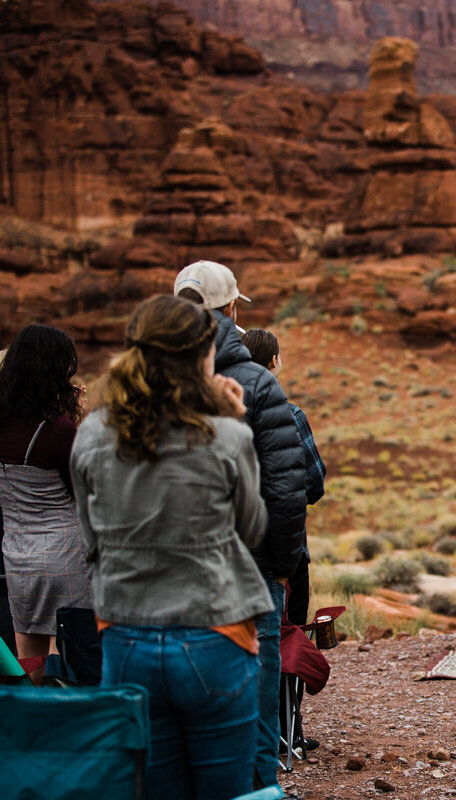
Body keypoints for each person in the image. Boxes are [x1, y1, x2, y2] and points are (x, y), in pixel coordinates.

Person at [70, 295, 274, 798]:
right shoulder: (227, 434)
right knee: (226, 789)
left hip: (126, 636)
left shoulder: (92, 433)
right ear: (200, 356)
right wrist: (230, 414)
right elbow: (252, 529)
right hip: (214, 631)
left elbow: (90, 535)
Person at [175, 260, 306, 790]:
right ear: (232, 310)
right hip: (248, 571)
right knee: (253, 695)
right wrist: (281, 565)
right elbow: (285, 488)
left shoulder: (150, 386)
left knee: (187, 702)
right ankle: (256, 787)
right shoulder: (256, 383)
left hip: (169, 572)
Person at [0, 325, 91, 670]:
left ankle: (28, 718)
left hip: (17, 555)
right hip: (65, 558)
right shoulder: (57, 430)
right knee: (64, 651)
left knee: (27, 654)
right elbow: (83, 491)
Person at [242, 328, 327, 628]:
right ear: (274, 361)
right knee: (288, 641)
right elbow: (315, 485)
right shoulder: (291, 415)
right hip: (286, 549)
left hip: (234, 549)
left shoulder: (221, 412)